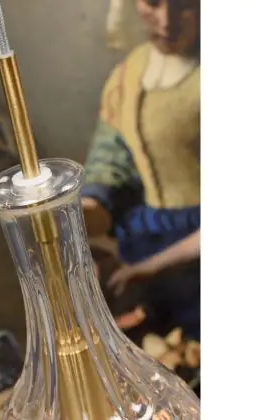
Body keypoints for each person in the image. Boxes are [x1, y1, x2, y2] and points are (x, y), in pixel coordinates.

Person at [82, 0, 200, 340]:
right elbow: (112, 159)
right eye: (152, 3)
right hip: (147, 239)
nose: (166, 21)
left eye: (183, 5)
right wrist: (84, 215)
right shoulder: (129, 74)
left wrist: (148, 269)